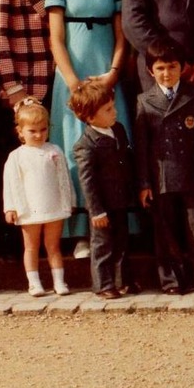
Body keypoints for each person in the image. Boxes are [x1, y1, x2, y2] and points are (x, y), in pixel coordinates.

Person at [47, 0, 128, 257]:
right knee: (74, 148)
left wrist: (112, 74)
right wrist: (72, 81)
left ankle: (120, 226)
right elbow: (56, 39)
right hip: (73, 77)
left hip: (105, 75)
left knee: (112, 151)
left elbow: (122, 38)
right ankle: (81, 230)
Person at [135, 39, 194, 294]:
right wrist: (144, 183)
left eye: (172, 67)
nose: (166, 74)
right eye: (160, 68)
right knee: (165, 232)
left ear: (182, 67)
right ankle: (171, 281)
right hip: (161, 176)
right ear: (150, 71)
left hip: (190, 174)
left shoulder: (193, 96)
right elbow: (141, 147)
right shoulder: (144, 100)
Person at [69, 78, 135, 299]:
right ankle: (103, 284)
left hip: (121, 200)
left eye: (113, 106)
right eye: (108, 110)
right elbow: (88, 181)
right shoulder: (85, 146)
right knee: (102, 245)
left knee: (122, 242)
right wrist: (96, 210)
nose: (114, 112)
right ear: (89, 117)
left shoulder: (118, 130)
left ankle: (122, 280)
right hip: (102, 207)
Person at [3, 103, 74, 297]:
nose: (38, 135)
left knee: (53, 246)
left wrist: (69, 200)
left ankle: (59, 281)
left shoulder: (55, 151)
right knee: (31, 247)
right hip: (29, 208)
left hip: (53, 205)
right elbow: (10, 184)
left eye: (43, 130)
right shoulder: (16, 156)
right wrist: (10, 207)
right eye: (32, 131)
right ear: (20, 131)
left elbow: (64, 178)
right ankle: (34, 283)